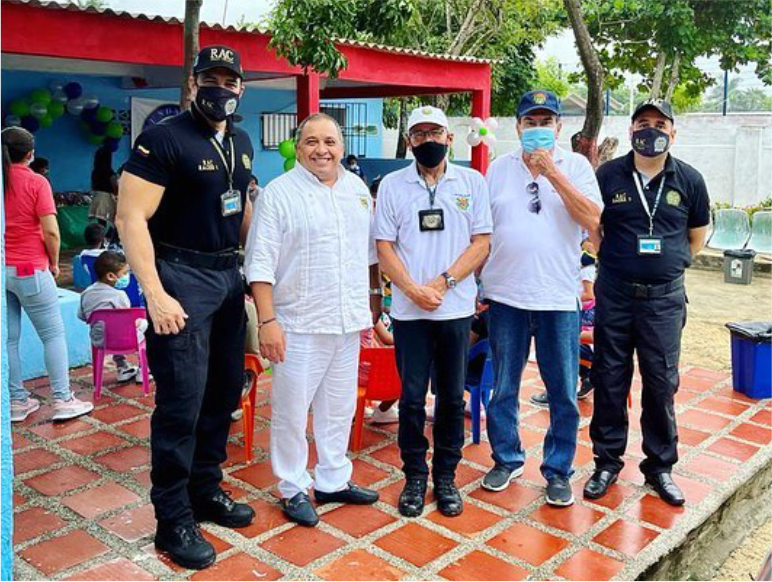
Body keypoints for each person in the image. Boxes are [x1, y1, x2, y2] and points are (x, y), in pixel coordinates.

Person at [116, 45, 256, 570]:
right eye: (210, 78)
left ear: (241, 88)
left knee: (223, 391)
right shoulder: (163, 138)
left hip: (227, 278)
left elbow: (240, 209)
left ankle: (205, 488)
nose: (221, 88)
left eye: (230, 80)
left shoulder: (240, 140)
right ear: (194, 83)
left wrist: (255, 272)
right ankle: (172, 517)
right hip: (180, 277)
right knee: (182, 403)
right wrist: (154, 293)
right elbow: (130, 218)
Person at [245, 112, 381, 527]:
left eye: (330, 142)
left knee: (339, 407)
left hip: (347, 319)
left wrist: (374, 300)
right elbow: (259, 263)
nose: (322, 150)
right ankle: (292, 486)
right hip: (297, 323)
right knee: (291, 410)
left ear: (342, 147)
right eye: (311, 142)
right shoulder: (278, 194)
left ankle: (333, 479)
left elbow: (370, 255)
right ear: (298, 147)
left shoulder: (356, 190)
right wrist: (267, 321)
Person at [584, 99, 710, 507]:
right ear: (631, 130)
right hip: (616, 294)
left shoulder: (689, 179)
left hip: (663, 301)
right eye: (642, 123)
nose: (650, 130)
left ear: (673, 132)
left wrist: (666, 265)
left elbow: (696, 237)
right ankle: (606, 462)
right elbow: (594, 228)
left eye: (659, 123)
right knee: (609, 378)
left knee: (660, 382)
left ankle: (659, 467)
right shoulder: (608, 175)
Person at [480, 90, 602, 507]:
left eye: (545, 122)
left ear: (558, 127)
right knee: (503, 387)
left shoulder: (577, 166)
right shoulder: (498, 169)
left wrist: (552, 173)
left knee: (563, 390)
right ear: (517, 127)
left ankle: (557, 469)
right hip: (505, 296)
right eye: (529, 122)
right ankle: (507, 458)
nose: (537, 129)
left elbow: (593, 220)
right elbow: (482, 229)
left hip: (557, 298)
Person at [374, 105, 492, 518]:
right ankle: (414, 475)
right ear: (409, 141)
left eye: (435, 133)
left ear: (449, 138)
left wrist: (442, 284)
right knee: (410, 398)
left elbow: (481, 242)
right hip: (410, 313)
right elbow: (384, 245)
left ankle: (445, 476)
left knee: (451, 398)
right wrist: (410, 289)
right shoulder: (393, 185)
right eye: (420, 134)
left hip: (454, 309)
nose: (428, 141)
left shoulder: (472, 183)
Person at [2, 127, 94, 422]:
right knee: (53, 335)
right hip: (31, 269)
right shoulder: (36, 181)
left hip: (3, 270)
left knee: (9, 340)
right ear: (30, 154)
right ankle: (63, 399)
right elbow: (51, 231)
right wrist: (53, 263)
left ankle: (17, 402)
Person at [77, 251, 145, 383]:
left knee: (112, 329)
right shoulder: (119, 295)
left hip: (99, 340)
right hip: (124, 340)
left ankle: (122, 367)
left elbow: (81, 316)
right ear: (110, 276)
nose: (127, 276)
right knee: (144, 325)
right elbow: (127, 321)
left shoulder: (86, 293)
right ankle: (144, 370)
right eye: (124, 273)